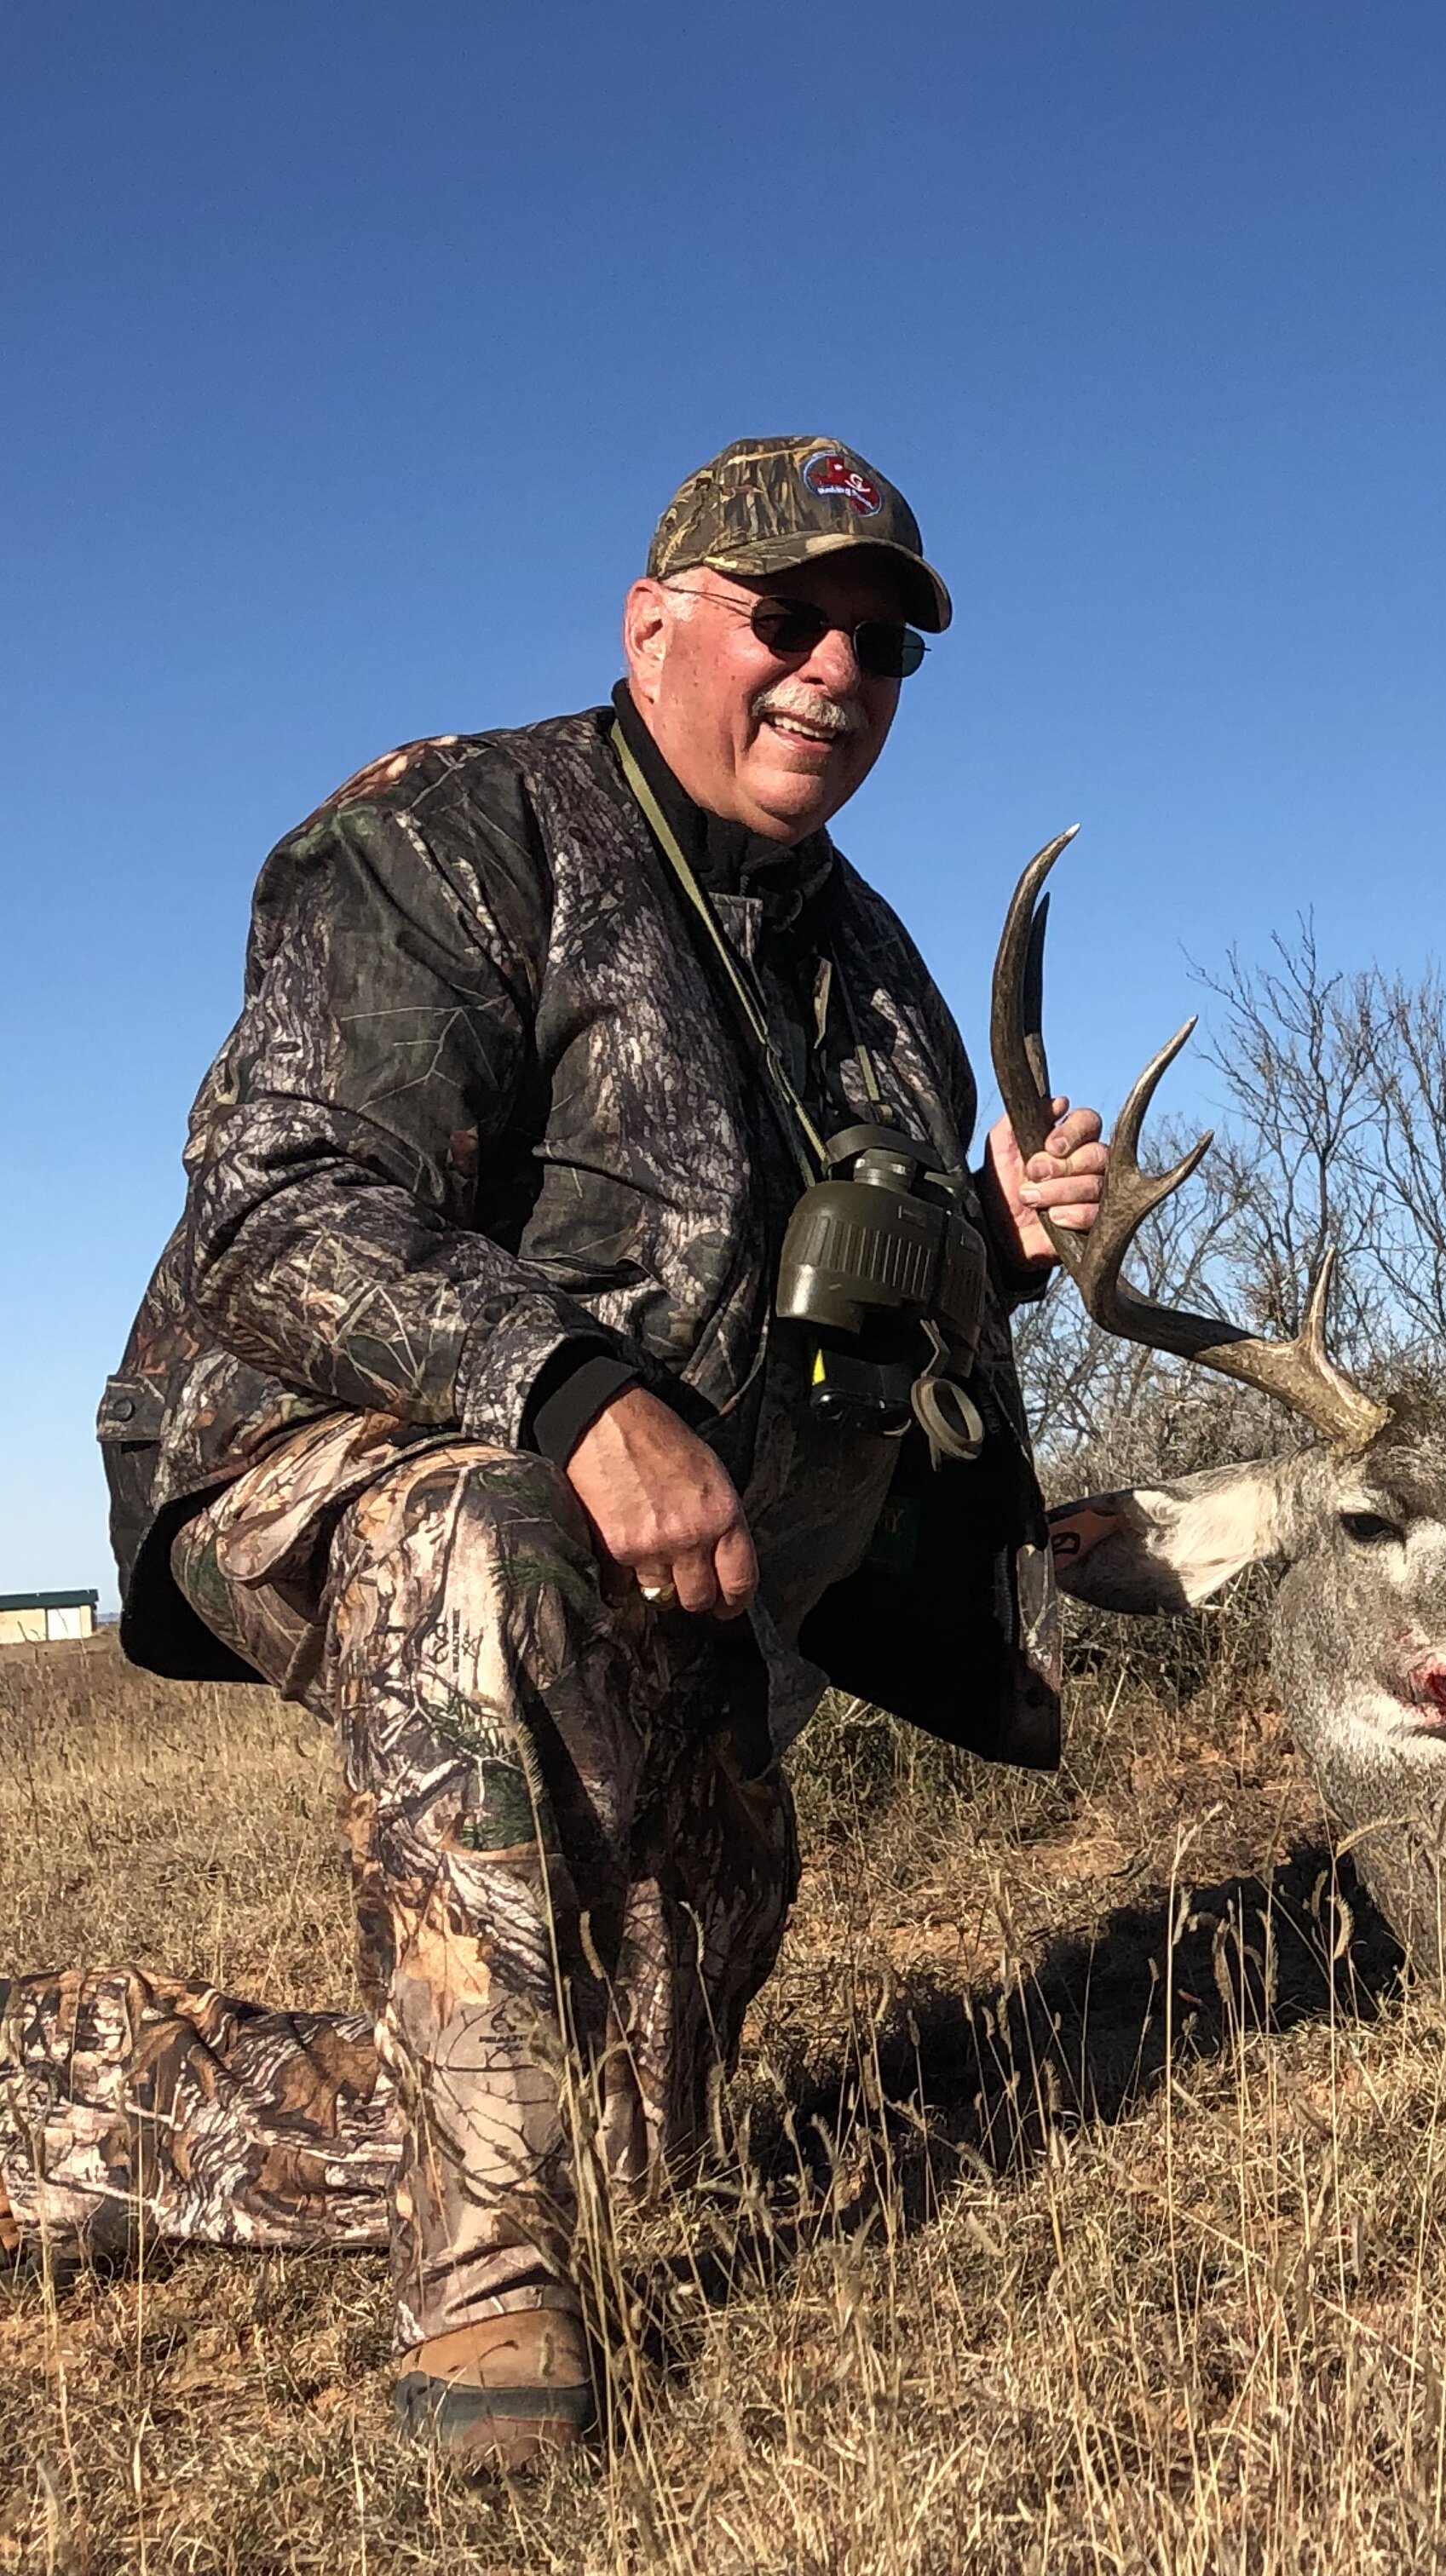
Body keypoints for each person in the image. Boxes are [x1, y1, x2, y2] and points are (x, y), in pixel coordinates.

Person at [4, 436, 1110, 2467]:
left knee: (625, 2139)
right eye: (788, 622)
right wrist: (572, 1394)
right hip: (351, 1460)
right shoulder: (460, 831)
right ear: (658, 623)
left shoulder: (876, 978)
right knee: (483, 1526)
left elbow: (844, 1316)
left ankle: (67, 2088)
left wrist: (995, 1249)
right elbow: (270, 1207)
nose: (835, 675)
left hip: (698, 1582)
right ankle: (487, 2304)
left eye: (881, 646)